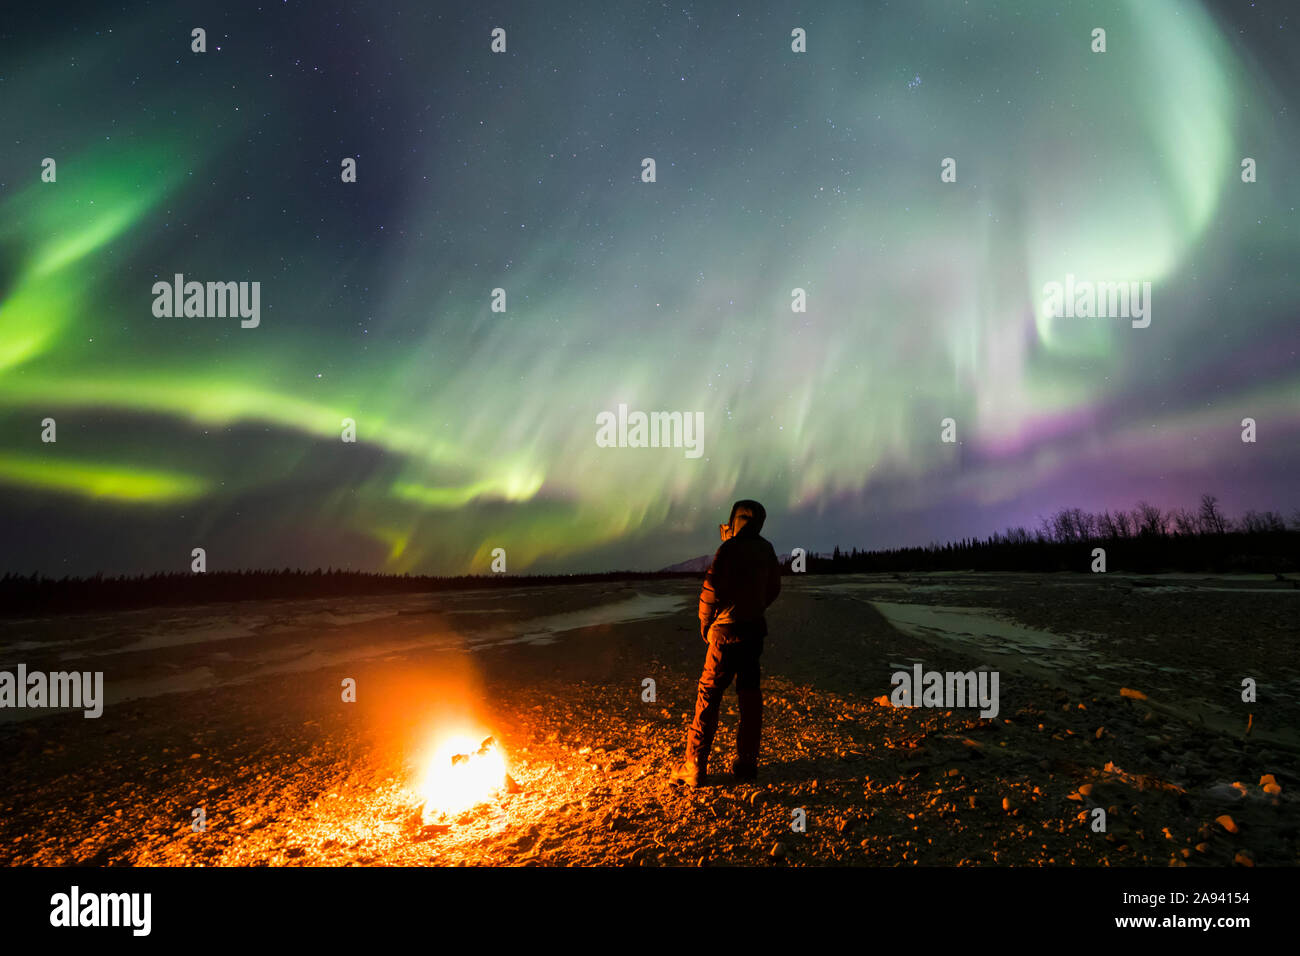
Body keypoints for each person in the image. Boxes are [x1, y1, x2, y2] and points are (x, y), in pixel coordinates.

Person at [671, 499, 781, 787]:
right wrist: (755, 608)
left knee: (709, 694)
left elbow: (710, 590)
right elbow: (773, 588)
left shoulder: (729, 549)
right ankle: (746, 765)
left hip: (725, 633)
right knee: (749, 698)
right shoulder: (766, 549)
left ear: (736, 520)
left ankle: (694, 765)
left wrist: (706, 625)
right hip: (753, 632)